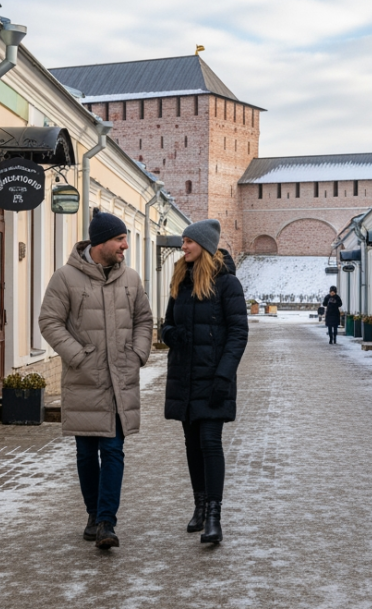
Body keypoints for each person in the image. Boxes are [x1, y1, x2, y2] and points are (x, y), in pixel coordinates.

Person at [40, 211, 153, 550]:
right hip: (84, 378)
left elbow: (143, 321)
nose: (125, 247)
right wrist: (78, 356)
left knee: (113, 449)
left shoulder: (131, 279)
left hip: (119, 379)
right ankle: (93, 514)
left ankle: (107, 521)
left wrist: (136, 355)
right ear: (101, 241)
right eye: (120, 240)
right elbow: (49, 322)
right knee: (87, 453)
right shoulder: (65, 278)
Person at [161, 220, 248, 544]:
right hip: (184, 375)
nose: (183, 247)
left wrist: (224, 375)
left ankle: (214, 517)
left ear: (205, 246)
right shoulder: (181, 279)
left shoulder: (227, 284)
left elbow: (239, 334)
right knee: (191, 445)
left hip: (214, 378)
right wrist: (173, 334)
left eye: (188, 242)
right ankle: (199, 506)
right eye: (183, 242)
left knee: (210, 443)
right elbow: (166, 325)